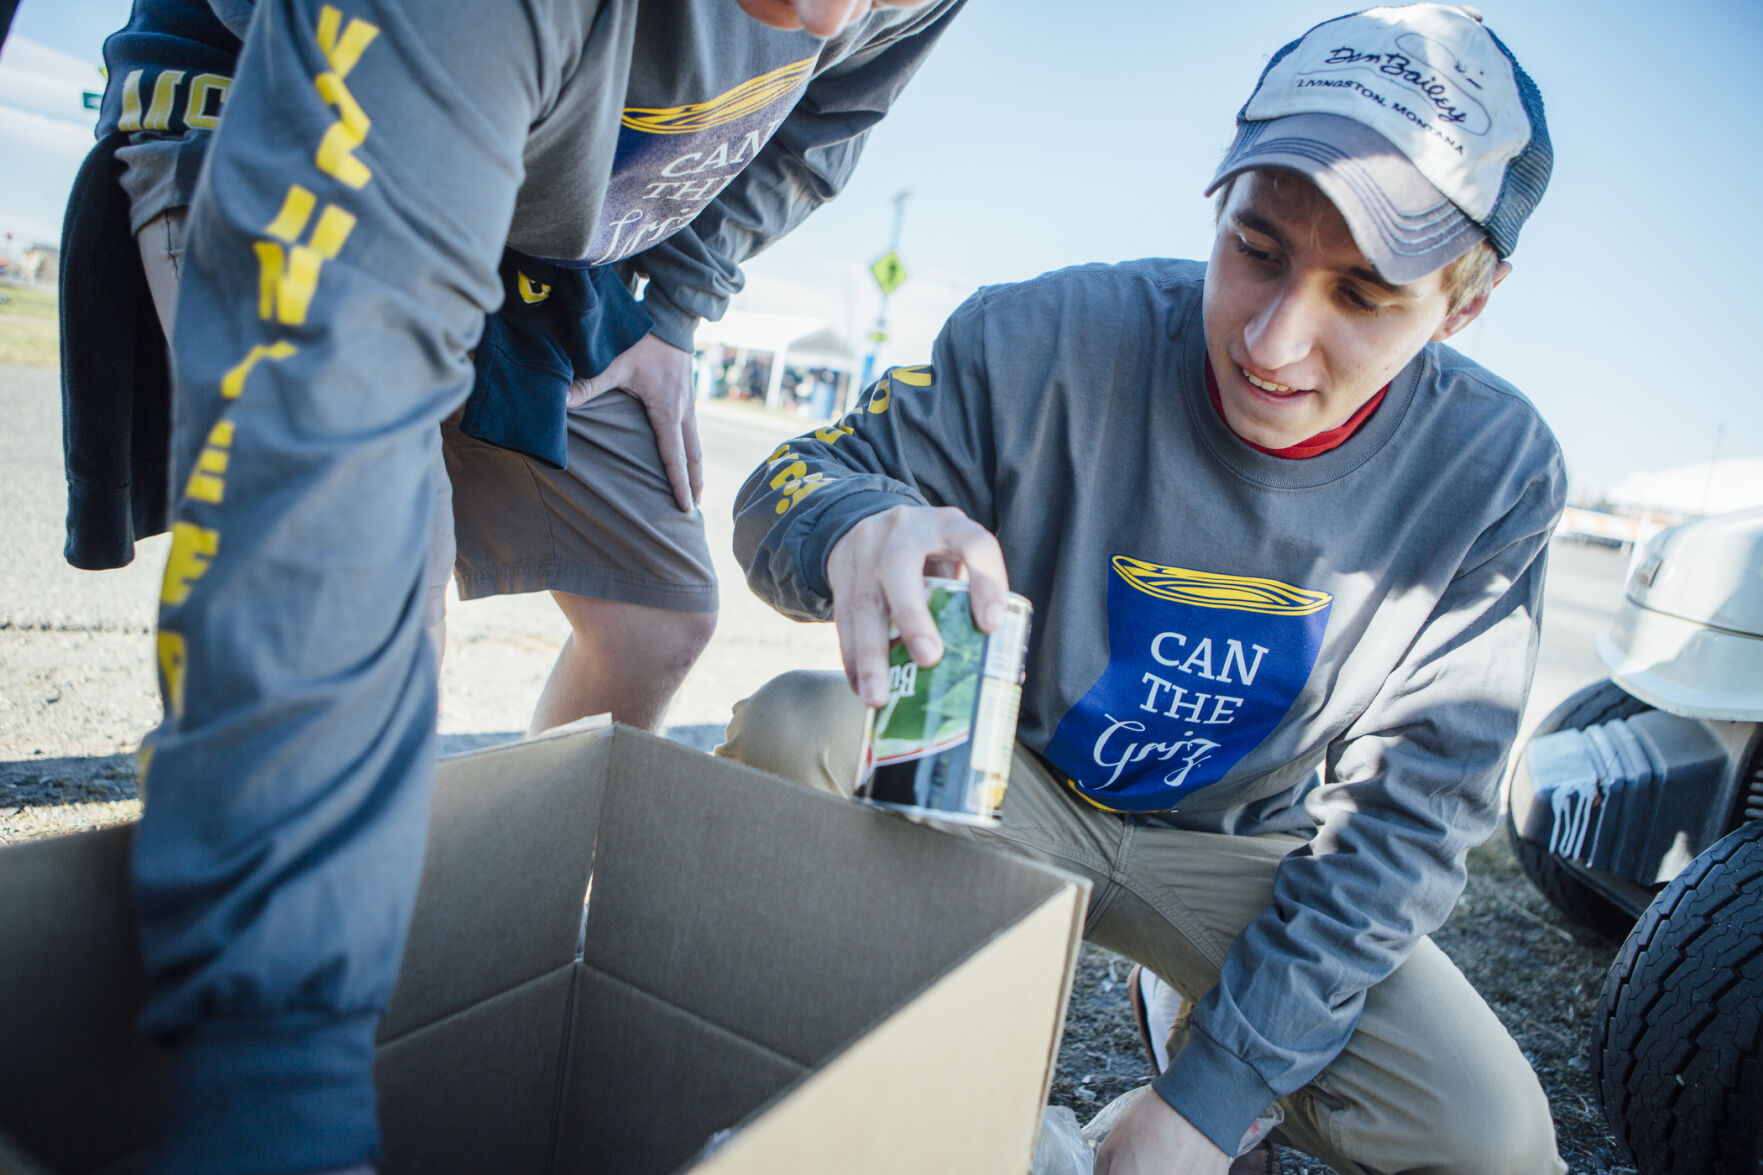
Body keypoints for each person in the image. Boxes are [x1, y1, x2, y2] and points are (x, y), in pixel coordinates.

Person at [66, 1, 962, 1172]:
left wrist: (678, 306)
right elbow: (333, 438)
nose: (833, 13)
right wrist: (275, 1066)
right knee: (392, 556)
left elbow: (822, 117)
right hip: (282, 84)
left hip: (546, 218)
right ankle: (311, 990)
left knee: (657, 612)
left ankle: (483, 937)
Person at [720, 5, 1567, 1173]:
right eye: (1254, 248)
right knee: (794, 729)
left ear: (1465, 303)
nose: (1272, 343)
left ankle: (1168, 1050)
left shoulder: (1493, 473)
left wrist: (1207, 1106)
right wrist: (855, 523)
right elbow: (788, 479)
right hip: (998, 788)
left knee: (1492, 1139)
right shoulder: (1048, 334)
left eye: (1363, 296)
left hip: (1240, 853)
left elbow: (1410, 820)